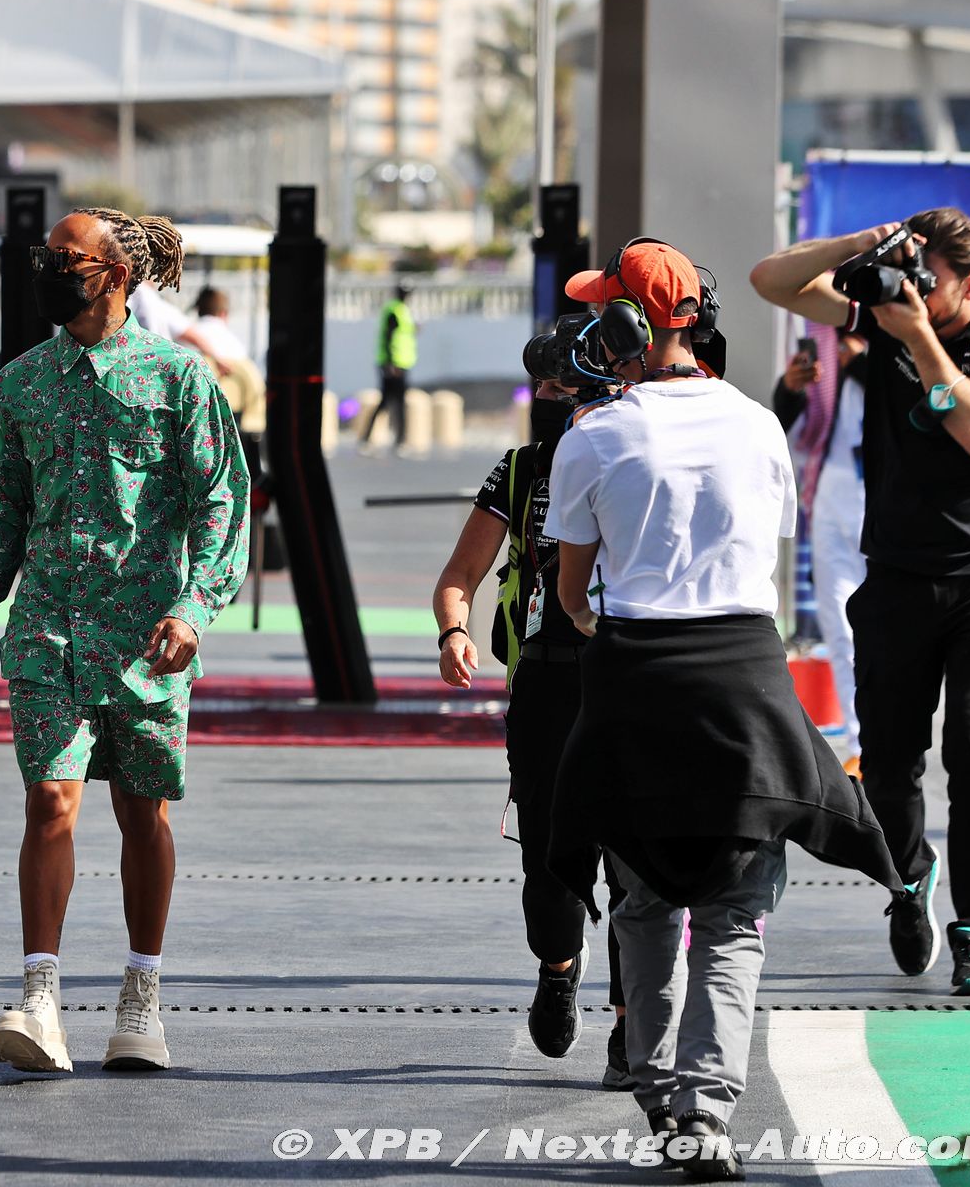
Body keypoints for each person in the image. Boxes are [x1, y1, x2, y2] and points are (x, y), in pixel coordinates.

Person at [546, 240, 899, 1178]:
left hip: (638, 682)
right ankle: (705, 1116)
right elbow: (765, 558)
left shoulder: (593, 435)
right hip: (746, 680)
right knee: (736, 915)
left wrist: (603, 616)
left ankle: (659, 1090)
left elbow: (573, 595)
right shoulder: (758, 425)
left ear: (623, 328)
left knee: (645, 900)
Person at [0, 207, 249, 1074]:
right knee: (50, 801)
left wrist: (193, 609)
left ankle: (141, 994)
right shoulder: (19, 386)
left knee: (141, 812)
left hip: (147, 639)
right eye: (46, 257)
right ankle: (39, 998)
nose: (50, 270)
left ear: (114, 275)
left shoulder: (178, 378)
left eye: (66, 258)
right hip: (46, 631)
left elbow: (222, 501)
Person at [752, 208, 970, 997]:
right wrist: (863, 247)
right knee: (886, 763)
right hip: (896, 574)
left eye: (930, 281)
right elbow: (770, 280)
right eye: (911, 274)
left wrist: (916, 335)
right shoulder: (887, 313)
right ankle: (909, 878)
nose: (914, 290)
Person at [431, 377, 628, 1090]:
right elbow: (460, 574)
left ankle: (631, 1022)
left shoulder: (643, 450)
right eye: (541, 384)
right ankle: (558, 966)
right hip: (545, 682)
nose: (552, 397)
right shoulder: (519, 470)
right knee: (548, 861)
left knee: (635, 862)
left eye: (565, 384)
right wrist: (454, 631)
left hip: (633, 677)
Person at [772, 322, 868, 774]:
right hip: (832, 491)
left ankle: (891, 740)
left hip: (890, 497)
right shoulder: (825, 337)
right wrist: (792, 388)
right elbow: (793, 421)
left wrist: (862, 362)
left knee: (889, 631)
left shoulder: (910, 327)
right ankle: (860, 743)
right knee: (841, 627)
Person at [177, 287, 266, 434]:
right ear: (224, 313)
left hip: (191, 416)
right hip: (235, 419)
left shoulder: (183, 340)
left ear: (198, 310)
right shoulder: (235, 346)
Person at [359, 280, 417, 454]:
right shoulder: (394, 311)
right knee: (391, 402)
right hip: (394, 365)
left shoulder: (402, 310)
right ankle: (396, 441)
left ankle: (396, 440)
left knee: (394, 402)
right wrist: (391, 364)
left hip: (401, 363)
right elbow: (388, 337)